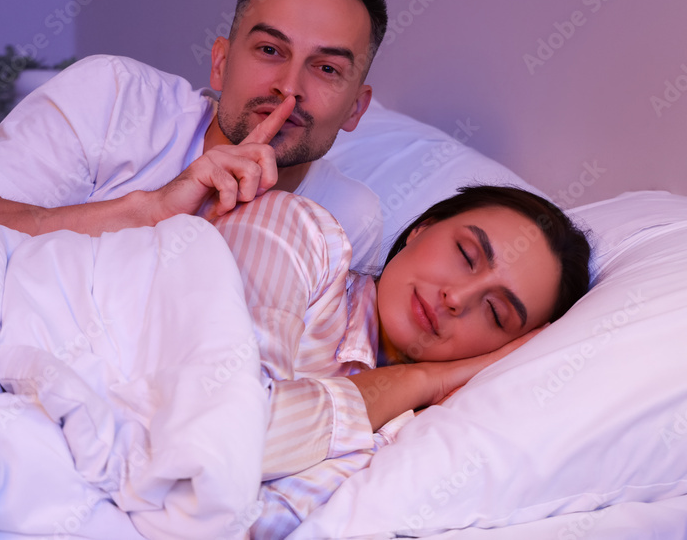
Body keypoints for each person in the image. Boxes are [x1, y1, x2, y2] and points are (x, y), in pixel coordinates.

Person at [0, 0, 389, 268]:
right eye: (269, 50)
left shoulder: (347, 221)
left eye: (326, 68)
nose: (289, 86)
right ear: (220, 63)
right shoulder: (113, 97)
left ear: (356, 109)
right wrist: (150, 212)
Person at [207, 185, 591, 538]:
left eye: (495, 312)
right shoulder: (301, 236)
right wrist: (424, 378)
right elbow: (217, 436)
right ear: (422, 229)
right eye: (466, 255)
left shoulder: (425, 442)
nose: (456, 297)